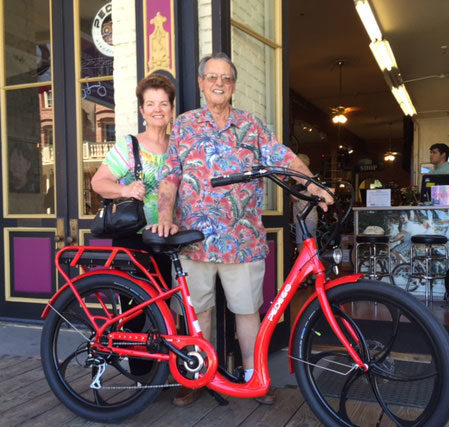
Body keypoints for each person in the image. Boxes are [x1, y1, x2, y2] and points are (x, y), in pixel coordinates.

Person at [151, 52, 334, 407]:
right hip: (194, 240)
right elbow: (170, 174)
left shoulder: (252, 125)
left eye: (226, 78)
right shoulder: (186, 125)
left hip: (242, 238)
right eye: (212, 77)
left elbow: (283, 157)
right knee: (198, 310)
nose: (219, 83)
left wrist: (312, 185)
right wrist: (164, 213)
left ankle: (253, 378)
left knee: (247, 311)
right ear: (202, 83)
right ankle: (196, 377)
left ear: (233, 86)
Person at [91, 73, 175, 375]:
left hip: (166, 240)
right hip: (134, 241)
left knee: (164, 309)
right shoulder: (130, 147)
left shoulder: (176, 147)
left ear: (171, 108)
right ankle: (140, 375)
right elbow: (98, 181)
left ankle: (161, 369)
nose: (157, 109)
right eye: (150, 103)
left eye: (163, 103)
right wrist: (126, 190)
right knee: (136, 310)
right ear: (142, 110)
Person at [292, 153, 318, 287]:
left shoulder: (301, 182)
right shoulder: (309, 180)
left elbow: (294, 198)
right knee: (311, 246)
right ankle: (314, 275)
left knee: (302, 247)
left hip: (304, 218)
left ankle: (305, 277)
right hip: (310, 217)